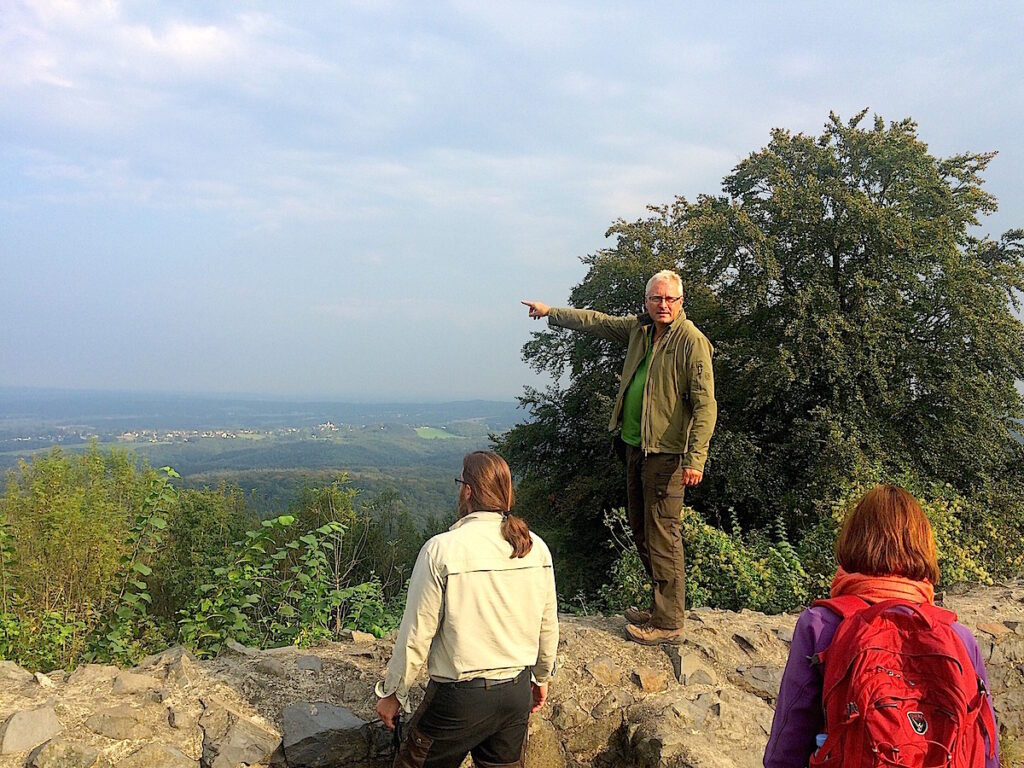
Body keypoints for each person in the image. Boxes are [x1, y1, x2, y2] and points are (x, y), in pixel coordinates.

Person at [522, 269, 716, 645]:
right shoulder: (640, 330)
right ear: (646, 301)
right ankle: (661, 608)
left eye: (669, 299)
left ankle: (669, 622)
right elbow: (595, 321)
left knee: (664, 535)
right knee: (642, 532)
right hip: (635, 448)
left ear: (680, 303)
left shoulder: (691, 342)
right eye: (656, 298)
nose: (663, 305)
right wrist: (550, 313)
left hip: (667, 455)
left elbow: (706, 406)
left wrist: (696, 459)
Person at [763, 484, 999, 768]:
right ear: (924, 546)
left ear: (854, 540)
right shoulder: (957, 636)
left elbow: (787, 745)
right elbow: (986, 749)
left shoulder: (820, 624)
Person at [376, 451, 558, 768]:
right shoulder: (534, 547)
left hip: (459, 700)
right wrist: (540, 677)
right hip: (515, 693)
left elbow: (417, 634)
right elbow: (547, 624)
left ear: (468, 491)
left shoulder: (442, 549)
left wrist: (394, 693)